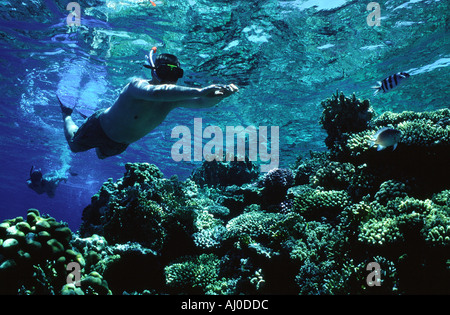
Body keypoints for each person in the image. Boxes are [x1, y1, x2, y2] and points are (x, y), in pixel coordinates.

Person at [58, 47, 239, 159]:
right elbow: (156, 93)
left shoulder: (173, 99)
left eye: (174, 74)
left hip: (120, 143)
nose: (169, 79)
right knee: (74, 146)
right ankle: (67, 114)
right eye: (164, 72)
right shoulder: (136, 85)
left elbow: (200, 103)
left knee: (101, 156)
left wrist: (220, 96)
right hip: (100, 127)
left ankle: (87, 120)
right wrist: (199, 90)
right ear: (153, 71)